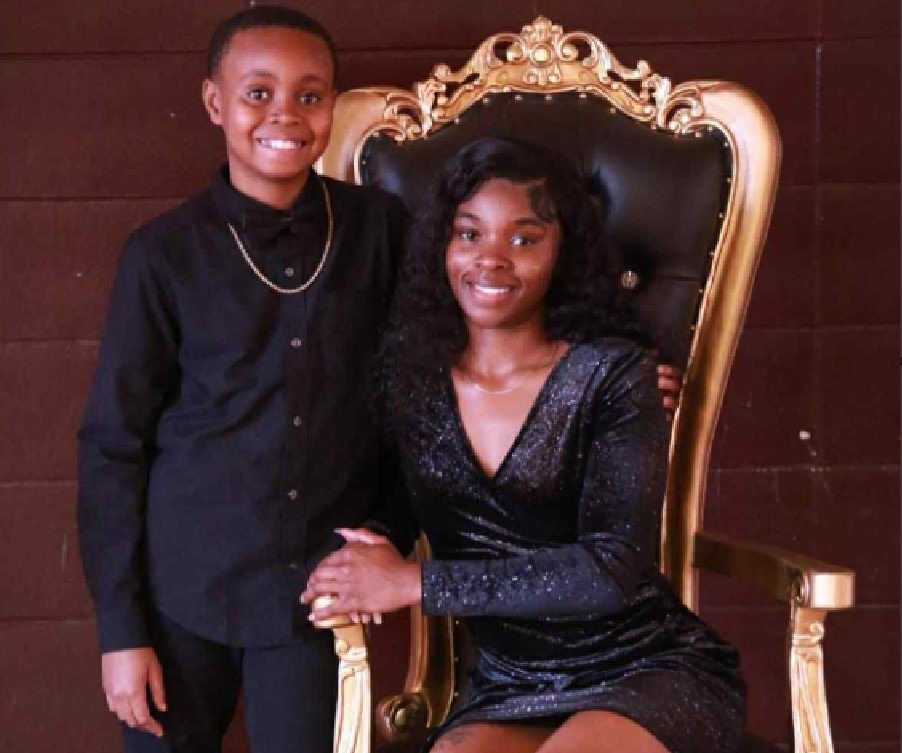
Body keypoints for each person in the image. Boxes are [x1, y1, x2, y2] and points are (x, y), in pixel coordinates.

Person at [303, 137, 746, 753]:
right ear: (442, 246)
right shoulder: (414, 381)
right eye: (469, 234)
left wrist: (417, 584)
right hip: (510, 684)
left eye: (524, 239)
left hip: (647, 671)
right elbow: (417, 497)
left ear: (562, 253)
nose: (491, 260)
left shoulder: (612, 375)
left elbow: (610, 570)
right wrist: (369, 549)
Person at [77, 7, 407, 752]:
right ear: (214, 102)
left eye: (309, 95)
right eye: (258, 93)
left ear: (330, 106)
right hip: (180, 598)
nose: (284, 114)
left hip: (312, 599)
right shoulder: (162, 254)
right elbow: (112, 445)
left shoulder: (381, 230)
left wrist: (604, 369)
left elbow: (449, 363)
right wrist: (121, 631)